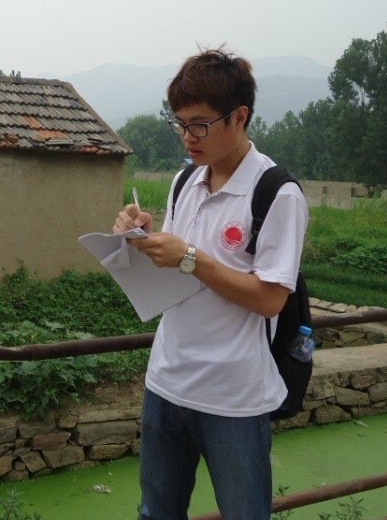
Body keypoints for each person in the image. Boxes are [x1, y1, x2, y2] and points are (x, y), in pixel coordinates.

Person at [113, 48, 308, 520]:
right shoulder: (186, 180)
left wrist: (190, 259)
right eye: (179, 123)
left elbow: (269, 300)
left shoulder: (276, 193)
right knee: (156, 511)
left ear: (239, 117)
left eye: (199, 124)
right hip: (167, 380)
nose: (187, 136)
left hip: (233, 397)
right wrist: (139, 237)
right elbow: (175, 271)